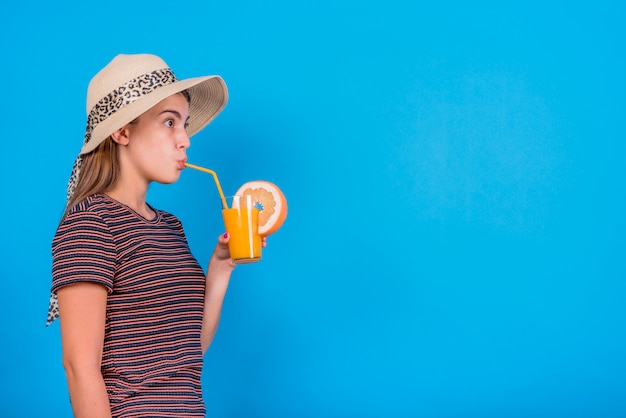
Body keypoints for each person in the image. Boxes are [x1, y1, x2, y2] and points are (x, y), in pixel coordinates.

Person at [47, 53, 262, 417]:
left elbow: (187, 352)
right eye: (169, 122)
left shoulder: (169, 226)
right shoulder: (90, 224)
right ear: (122, 131)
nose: (185, 140)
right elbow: (79, 369)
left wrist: (221, 269)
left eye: (185, 124)